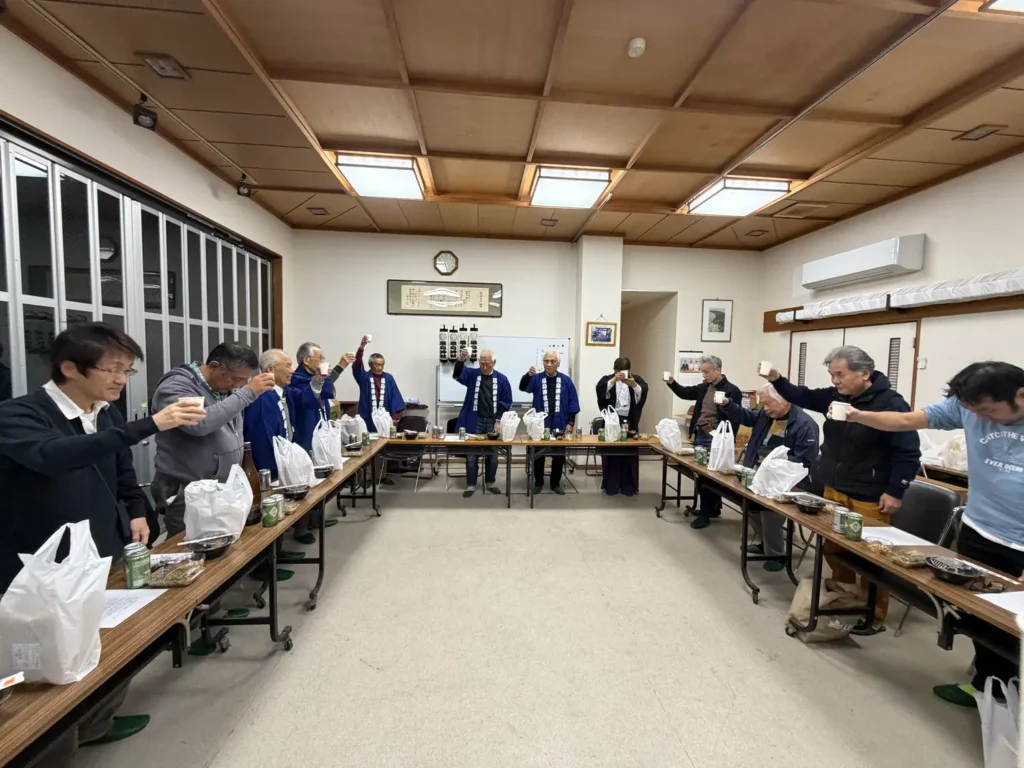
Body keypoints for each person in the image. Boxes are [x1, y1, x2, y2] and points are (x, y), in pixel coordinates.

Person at [0, 323, 204, 756]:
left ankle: (95, 720)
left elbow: (123, 473)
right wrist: (149, 424)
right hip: (39, 564)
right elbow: (54, 456)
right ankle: (42, 743)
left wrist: (134, 511)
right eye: (112, 369)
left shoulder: (105, 413)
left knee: (115, 637)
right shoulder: (19, 415)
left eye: (127, 371)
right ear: (70, 367)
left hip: (103, 549)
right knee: (43, 661)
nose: (120, 380)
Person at [842, 361, 1024, 706]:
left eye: (989, 410)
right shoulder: (967, 405)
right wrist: (858, 416)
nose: (982, 418)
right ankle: (988, 686)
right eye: (974, 411)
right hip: (980, 529)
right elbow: (908, 420)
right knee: (979, 617)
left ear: (1020, 395)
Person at [762, 345, 920, 635]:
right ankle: (845, 601)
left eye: (840, 374)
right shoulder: (836, 398)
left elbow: (907, 453)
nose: (835, 380)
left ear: (864, 373)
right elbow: (802, 395)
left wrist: (895, 491)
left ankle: (874, 614)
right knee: (835, 550)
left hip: (869, 493)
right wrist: (776, 379)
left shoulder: (891, 404)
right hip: (835, 488)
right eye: (832, 375)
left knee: (871, 558)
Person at [151, 342, 275, 538]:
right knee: (190, 550)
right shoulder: (177, 386)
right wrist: (248, 393)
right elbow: (199, 424)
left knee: (227, 547)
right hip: (189, 491)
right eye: (236, 379)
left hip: (222, 486)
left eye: (243, 381)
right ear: (215, 366)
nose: (237, 386)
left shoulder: (224, 388)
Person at [721, 383, 819, 571]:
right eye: (762, 404)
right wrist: (727, 404)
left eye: (768, 403)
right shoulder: (767, 415)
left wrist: (775, 471)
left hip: (783, 479)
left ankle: (777, 553)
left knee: (769, 514)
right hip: (757, 471)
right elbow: (746, 416)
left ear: (783, 400)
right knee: (750, 507)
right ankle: (765, 544)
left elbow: (804, 460)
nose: (764, 408)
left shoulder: (804, 424)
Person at [242, 349, 329, 547]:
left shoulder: (283, 392)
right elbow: (262, 438)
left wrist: (319, 378)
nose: (292, 371)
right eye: (288, 366)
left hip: (284, 461)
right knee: (270, 509)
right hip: (271, 467)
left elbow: (305, 399)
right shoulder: (262, 397)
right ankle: (269, 562)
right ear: (271, 369)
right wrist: (274, 471)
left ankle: (278, 553)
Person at [666, 354, 743, 528]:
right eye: (702, 372)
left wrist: (724, 439)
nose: (704, 375)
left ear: (718, 370)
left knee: (711, 475)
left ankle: (706, 513)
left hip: (717, 438)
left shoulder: (732, 390)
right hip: (702, 434)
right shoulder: (704, 387)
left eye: (707, 371)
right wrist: (671, 382)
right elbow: (685, 393)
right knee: (701, 474)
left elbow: (736, 418)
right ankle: (711, 508)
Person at [453, 347, 512, 497]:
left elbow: (506, 402)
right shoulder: (473, 375)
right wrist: (460, 359)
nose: (484, 367)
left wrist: (498, 420)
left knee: (492, 455)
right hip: (474, 420)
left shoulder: (502, 379)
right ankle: (471, 485)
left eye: (488, 364)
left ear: (494, 362)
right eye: (482, 363)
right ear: (478, 361)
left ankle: (490, 482)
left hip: (492, 421)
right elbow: (458, 373)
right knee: (472, 454)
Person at [519, 350, 580, 495]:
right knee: (538, 455)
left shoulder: (566, 381)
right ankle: (538, 482)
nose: (549, 364)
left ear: (558, 363)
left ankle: (555, 483)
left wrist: (570, 423)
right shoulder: (536, 379)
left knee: (559, 456)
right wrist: (528, 375)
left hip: (560, 423)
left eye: (552, 361)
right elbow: (522, 387)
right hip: (540, 424)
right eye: (546, 361)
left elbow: (573, 403)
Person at [353, 335, 406, 486]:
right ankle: (367, 477)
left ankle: (381, 476)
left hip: (383, 421)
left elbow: (396, 396)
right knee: (367, 449)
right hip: (367, 419)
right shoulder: (364, 377)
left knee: (383, 448)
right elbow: (357, 365)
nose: (380, 367)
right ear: (371, 365)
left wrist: (395, 416)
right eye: (376, 364)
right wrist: (362, 347)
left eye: (382, 364)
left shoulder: (388, 378)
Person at [595, 357, 649, 496]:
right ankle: (611, 485)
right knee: (612, 454)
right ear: (614, 370)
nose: (621, 374)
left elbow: (642, 393)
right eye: (618, 371)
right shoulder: (608, 379)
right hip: (612, 421)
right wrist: (613, 380)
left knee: (628, 454)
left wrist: (633, 385)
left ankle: (628, 486)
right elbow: (601, 391)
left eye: (624, 371)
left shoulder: (636, 379)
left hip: (628, 420)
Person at [287, 342, 354, 452]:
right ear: (306, 360)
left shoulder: (313, 377)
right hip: (306, 434)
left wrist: (341, 365)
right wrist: (320, 378)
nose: (322, 361)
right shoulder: (295, 380)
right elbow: (311, 391)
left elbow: (322, 384)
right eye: (320, 358)